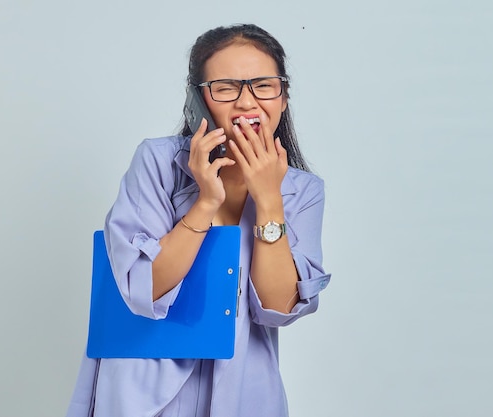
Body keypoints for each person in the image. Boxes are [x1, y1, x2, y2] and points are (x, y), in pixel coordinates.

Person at [66, 23, 331, 417]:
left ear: (283, 97)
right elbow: (145, 288)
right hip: (142, 387)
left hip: (242, 385)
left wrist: (269, 200)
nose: (247, 102)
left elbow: (277, 307)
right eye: (226, 87)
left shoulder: (303, 191)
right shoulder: (157, 162)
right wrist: (207, 201)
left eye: (264, 85)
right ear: (198, 100)